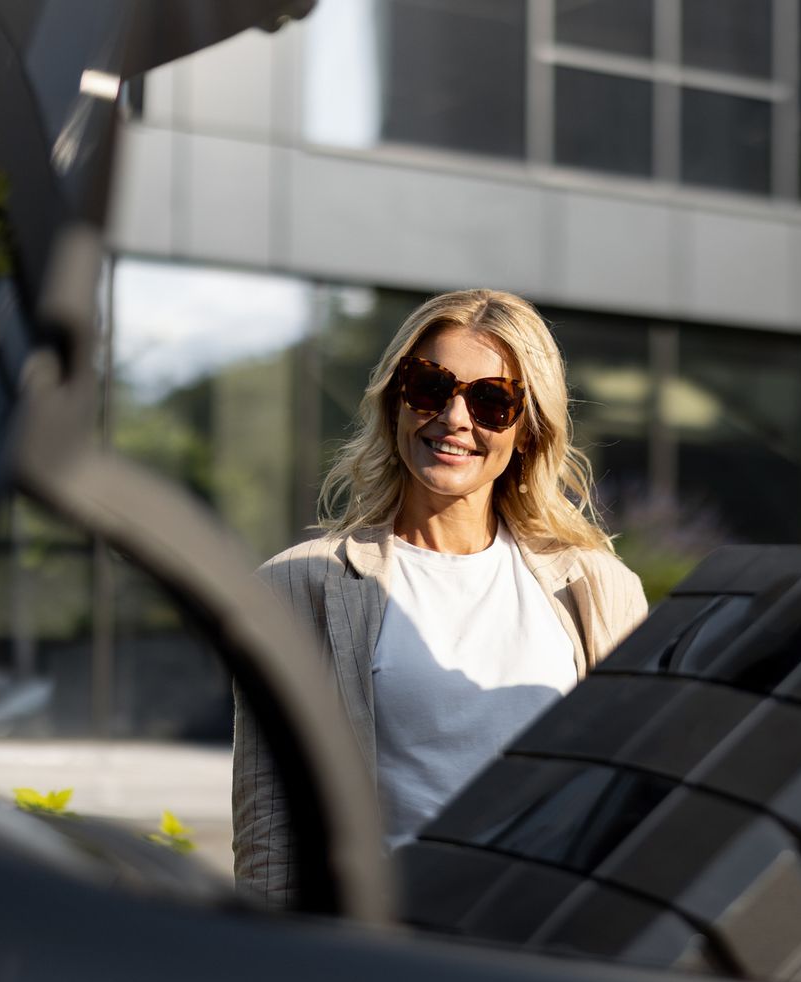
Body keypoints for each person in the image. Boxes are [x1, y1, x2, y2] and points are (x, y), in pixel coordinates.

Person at [233, 289, 648, 903]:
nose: (454, 418)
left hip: (548, 941)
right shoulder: (301, 587)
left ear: (529, 430)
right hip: (391, 953)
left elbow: (632, 802)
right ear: (397, 401)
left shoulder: (598, 588)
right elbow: (269, 826)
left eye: (491, 401)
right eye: (431, 386)